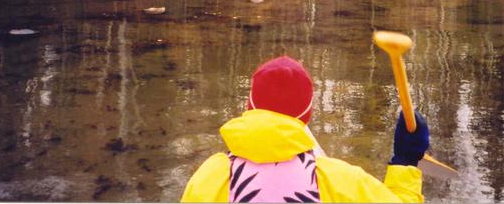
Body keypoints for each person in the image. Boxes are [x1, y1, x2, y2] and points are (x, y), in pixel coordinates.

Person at [181, 56, 430, 203]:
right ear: (308, 116)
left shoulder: (211, 176)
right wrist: (405, 162)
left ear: (249, 107)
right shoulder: (339, 180)